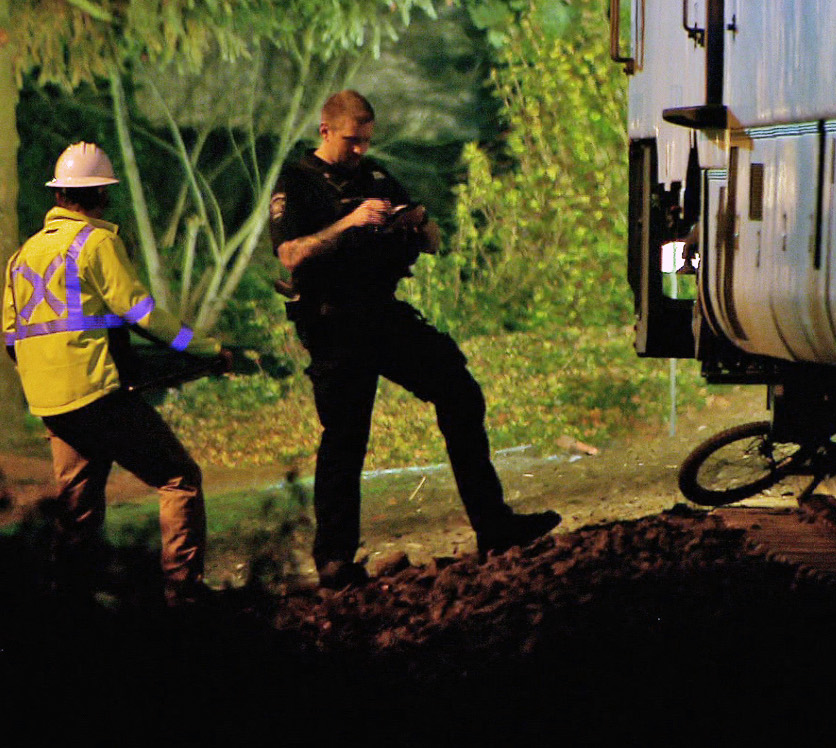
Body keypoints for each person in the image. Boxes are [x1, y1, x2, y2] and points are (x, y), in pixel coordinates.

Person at [270, 90, 559, 587]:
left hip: (382, 313)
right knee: (345, 437)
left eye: (365, 141)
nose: (359, 150)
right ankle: (335, 560)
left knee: (460, 393)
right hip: (334, 323)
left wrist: (418, 223)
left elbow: (434, 241)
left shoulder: (376, 176)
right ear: (325, 131)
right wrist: (349, 222)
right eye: (350, 141)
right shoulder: (297, 183)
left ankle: (494, 525)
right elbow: (291, 255)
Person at [2, 142, 230, 605]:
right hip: (99, 395)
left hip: (51, 404)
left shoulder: (23, 256)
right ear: (103, 192)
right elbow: (141, 312)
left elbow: (11, 337)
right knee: (178, 478)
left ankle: (69, 611)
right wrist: (204, 349)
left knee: (78, 511)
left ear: (60, 193)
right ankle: (184, 595)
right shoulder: (97, 241)